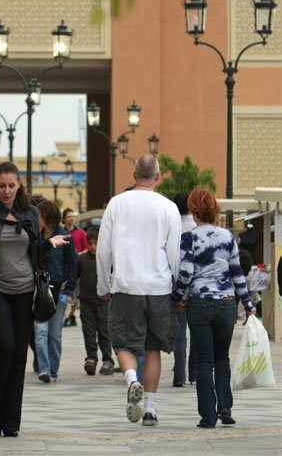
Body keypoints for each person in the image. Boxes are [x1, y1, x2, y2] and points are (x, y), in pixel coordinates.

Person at [0, 161, 70, 438]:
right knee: (4, 345)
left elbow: (34, 252)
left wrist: (46, 244)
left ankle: (10, 422)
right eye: (2, 186)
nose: (7, 191)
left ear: (19, 186)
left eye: (11, 186)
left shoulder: (30, 214)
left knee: (19, 355)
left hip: (25, 292)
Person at [96, 154, 181, 427]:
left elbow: (103, 250)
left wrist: (102, 284)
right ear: (157, 177)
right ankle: (150, 410)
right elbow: (174, 253)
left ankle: (132, 379)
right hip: (158, 287)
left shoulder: (116, 204)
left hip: (126, 285)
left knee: (122, 343)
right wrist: (175, 281)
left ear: (134, 175)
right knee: (153, 348)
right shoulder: (168, 207)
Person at [172, 188, 256, 428]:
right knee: (222, 358)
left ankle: (208, 416)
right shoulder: (227, 237)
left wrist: (178, 296)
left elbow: (186, 271)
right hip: (227, 304)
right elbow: (237, 272)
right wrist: (248, 304)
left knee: (204, 361)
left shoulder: (189, 237)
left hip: (198, 303)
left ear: (194, 211)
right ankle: (225, 408)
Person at [34, 200, 77, 383]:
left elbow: (72, 265)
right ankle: (43, 369)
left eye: (39, 215)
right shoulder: (37, 237)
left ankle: (53, 371)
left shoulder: (66, 236)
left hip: (59, 290)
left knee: (54, 335)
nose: (37, 218)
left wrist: (69, 291)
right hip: (40, 290)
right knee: (40, 332)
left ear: (47, 216)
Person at [77, 227, 115, 376]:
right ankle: (91, 358)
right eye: (90, 243)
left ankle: (108, 359)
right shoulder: (81, 259)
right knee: (88, 331)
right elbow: (76, 277)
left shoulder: (107, 259)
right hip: (86, 302)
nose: (93, 246)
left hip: (103, 302)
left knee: (104, 332)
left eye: (96, 243)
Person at [171, 191, 197, 387]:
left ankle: (178, 375)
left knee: (179, 333)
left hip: (175, 284)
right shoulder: (197, 227)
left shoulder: (171, 226)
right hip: (196, 286)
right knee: (196, 331)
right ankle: (194, 374)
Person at [62, 207, 87, 327]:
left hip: (77, 267)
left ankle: (71, 314)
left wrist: (79, 254)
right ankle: (66, 316)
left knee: (76, 293)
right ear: (64, 219)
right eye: (69, 217)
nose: (71, 219)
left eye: (73, 216)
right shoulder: (61, 233)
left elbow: (86, 248)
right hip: (63, 267)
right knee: (65, 291)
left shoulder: (81, 233)